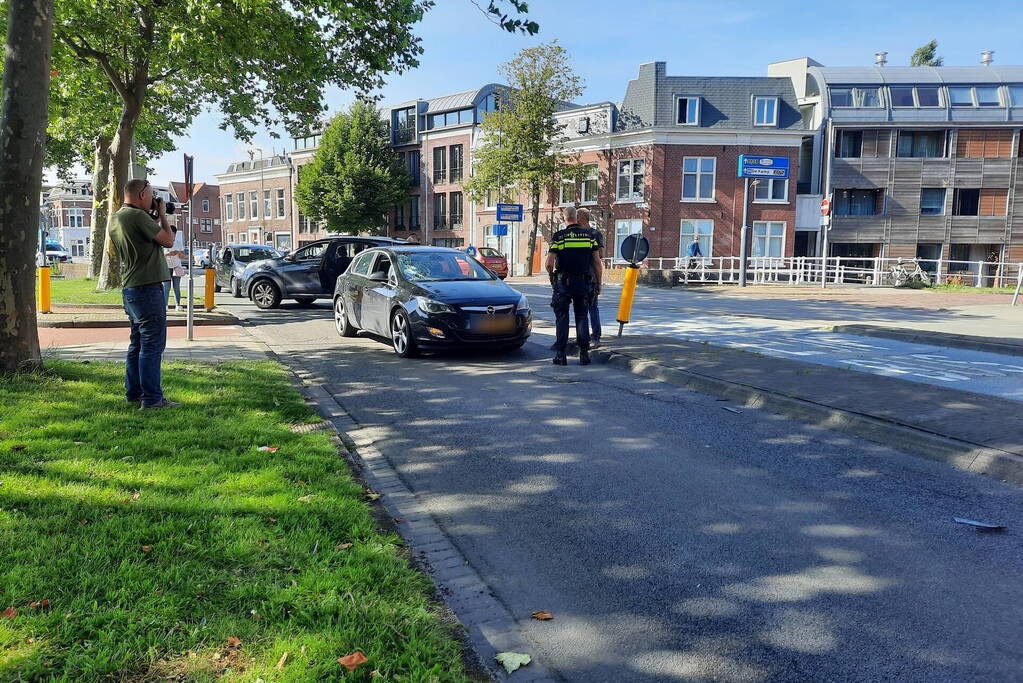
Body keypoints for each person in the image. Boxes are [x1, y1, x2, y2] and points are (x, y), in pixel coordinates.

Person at [108, 179, 179, 409]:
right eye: (150, 195)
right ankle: (152, 399)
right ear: (141, 195)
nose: (153, 200)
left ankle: (134, 393)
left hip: (131, 288)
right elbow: (168, 240)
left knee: (137, 343)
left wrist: (154, 217)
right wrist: (163, 215)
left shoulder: (117, 218)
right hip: (148, 287)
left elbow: (142, 238)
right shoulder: (138, 216)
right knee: (152, 345)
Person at [545, 206, 602, 366]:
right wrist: (598, 283)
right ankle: (584, 354)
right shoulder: (590, 236)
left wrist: (551, 276)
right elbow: (597, 262)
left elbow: (549, 263)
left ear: (564, 218)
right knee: (582, 316)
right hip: (583, 282)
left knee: (562, 317)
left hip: (563, 283)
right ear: (577, 218)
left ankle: (561, 355)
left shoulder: (559, 237)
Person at [577, 208, 605, 348]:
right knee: (586, 308)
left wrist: (599, 281)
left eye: (577, 216)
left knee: (591, 308)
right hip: (585, 277)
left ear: (581, 218)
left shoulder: (594, 234)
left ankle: (595, 336)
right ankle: (588, 337)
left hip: (589, 277)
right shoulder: (593, 234)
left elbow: (600, 256)